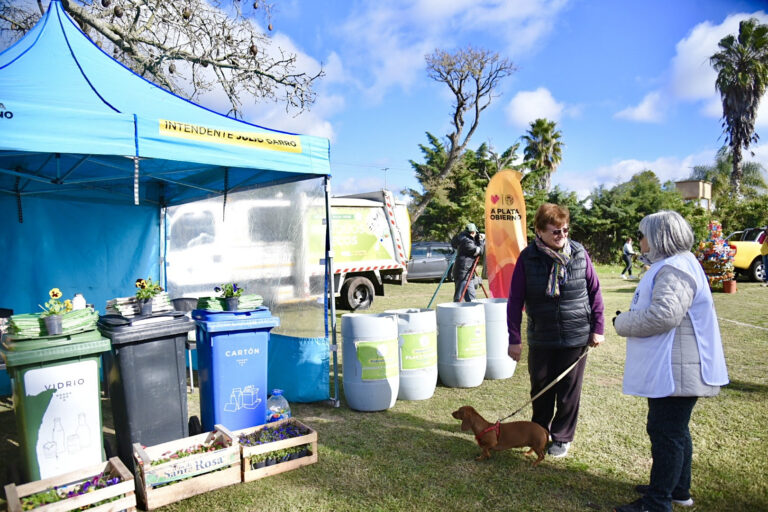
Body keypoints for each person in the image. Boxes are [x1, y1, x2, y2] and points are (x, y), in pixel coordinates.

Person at [612, 210, 729, 512]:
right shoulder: (673, 265)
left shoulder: (675, 269)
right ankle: (677, 489)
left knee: (666, 431)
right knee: (674, 430)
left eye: (643, 235)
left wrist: (622, 323)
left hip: (677, 370)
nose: (640, 240)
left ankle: (658, 501)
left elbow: (663, 316)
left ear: (659, 237)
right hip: (675, 367)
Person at [506, 203, 605, 458]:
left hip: (576, 336)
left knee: (569, 391)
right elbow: (515, 300)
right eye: (556, 232)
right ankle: (539, 433)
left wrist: (598, 328)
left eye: (565, 230)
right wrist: (514, 339)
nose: (562, 236)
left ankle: (562, 437)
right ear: (539, 231)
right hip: (542, 337)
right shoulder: (528, 258)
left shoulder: (580, 254)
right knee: (541, 389)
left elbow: (594, 292)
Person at [451, 222, 484, 302]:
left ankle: (469, 312)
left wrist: (477, 239)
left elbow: (473, 242)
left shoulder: (463, 238)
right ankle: (457, 312)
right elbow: (479, 251)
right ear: (472, 232)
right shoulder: (467, 242)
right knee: (459, 297)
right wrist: (481, 241)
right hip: (463, 272)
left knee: (470, 297)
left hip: (465, 271)